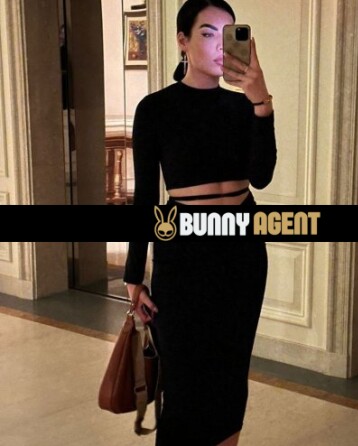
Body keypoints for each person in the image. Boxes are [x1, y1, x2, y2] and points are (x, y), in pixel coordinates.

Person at [123, 0, 277, 444]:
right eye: (208, 33)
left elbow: (261, 176)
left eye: (228, 34)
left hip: (243, 251)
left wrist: (261, 103)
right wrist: (134, 276)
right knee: (184, 382)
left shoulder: (244, 106)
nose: (219, 44)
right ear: (183, 41)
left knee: (230, 375)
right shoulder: (155, 109)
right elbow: (146, 199)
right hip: (184, 254)